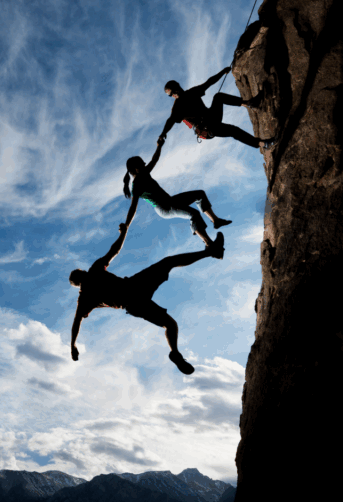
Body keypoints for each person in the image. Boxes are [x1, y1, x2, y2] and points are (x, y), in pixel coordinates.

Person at [68, 223, 225, 375]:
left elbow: (76, 322)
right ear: (81, 274)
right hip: (135, 287)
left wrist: (73, 344)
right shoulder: (93, 272)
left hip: (133, 303)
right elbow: (114, 250)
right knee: (168, 262)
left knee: (170, 324)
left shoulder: (84, 298)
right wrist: (122, 234)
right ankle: (211, 252)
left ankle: (175, 352)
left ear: (77, 285)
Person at [123, 136, 230, 248]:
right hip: (164, 207)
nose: (145, 166)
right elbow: (133, 207)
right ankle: (209, 244)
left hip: (170, 201)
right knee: (194, 214)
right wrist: (126, 225)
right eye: (142, 165)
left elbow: (154, 160)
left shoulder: (143, 175)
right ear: (136, 169)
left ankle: (215, 220)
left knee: (200, 194)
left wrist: (159, 147)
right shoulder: (137, 184)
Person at [159, 66, 269, 147]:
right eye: (173, 94)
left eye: (174, 92)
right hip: (207, 127)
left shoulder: (191, 93)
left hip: (211, 117)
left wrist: (222, 72)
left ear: (177, 88)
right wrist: (163, 133)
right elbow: (171, 120)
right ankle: (262, 143)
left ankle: (249, 104)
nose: (175, 95)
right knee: (233, 130)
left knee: (218, 97)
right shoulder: (178, 106)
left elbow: (209, 82)